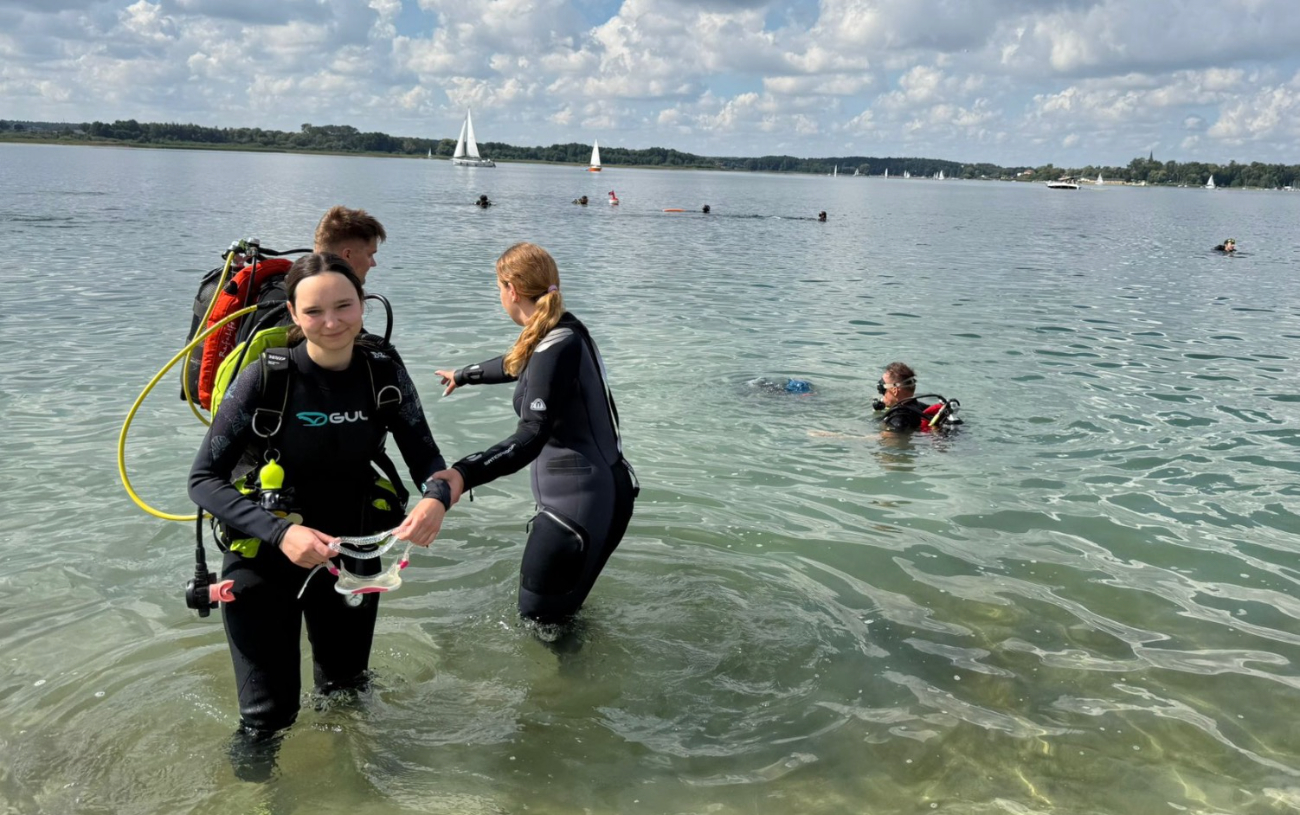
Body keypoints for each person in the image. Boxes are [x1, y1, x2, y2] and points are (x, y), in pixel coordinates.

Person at [189, 253, 453, 778]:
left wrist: (435, 499)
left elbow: (429, 461)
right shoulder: (266, 377)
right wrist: (281, 533)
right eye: (314, 311)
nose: (332, 322)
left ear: (364, 304)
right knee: (266, 721)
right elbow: (202, 481)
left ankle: (353, 791)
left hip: (352, 554)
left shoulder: (383, 369)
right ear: (292, 312)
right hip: (263, 554)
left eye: (344, 306)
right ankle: (258, 801)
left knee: (347, 693)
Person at [433, 243, 637, 625]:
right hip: (597, 497)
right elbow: (516, 364)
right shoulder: (562, 330)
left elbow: (531, 435)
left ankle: (563, 685)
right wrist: (462, 375)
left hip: (577, 510)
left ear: (511, 290)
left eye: (498, 287)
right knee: (561, 621)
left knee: (540, 623)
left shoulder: (554, 346)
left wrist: (465, 473)